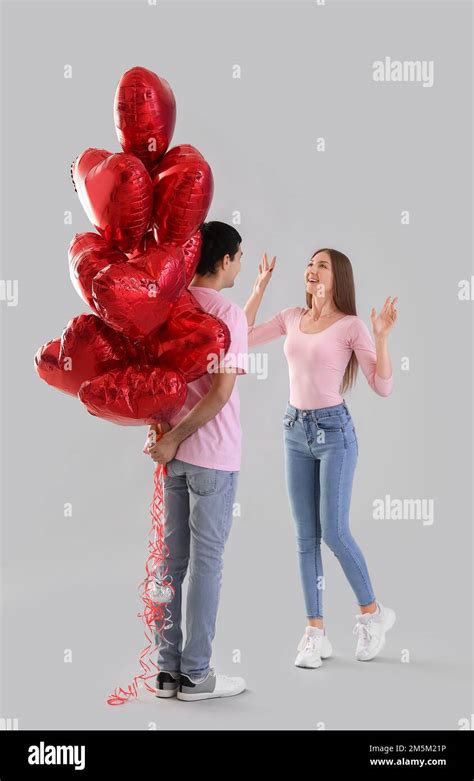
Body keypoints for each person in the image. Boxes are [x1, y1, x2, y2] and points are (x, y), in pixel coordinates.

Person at [244, 248, 398, 668]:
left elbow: (382, 386)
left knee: (333, 531)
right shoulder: (293, 316)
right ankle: (315, 632)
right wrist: (258, 288)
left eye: (322, 265)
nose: (311, 269)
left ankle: (373, 614)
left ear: (338, 277)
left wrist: (381, 337)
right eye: (310, 264)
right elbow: (239, 336)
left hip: (334, 434)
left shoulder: (351, 326)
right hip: (294, 430)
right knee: (304, 536)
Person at [145, 221, 248, 701]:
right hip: (212, 456)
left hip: (176, 457)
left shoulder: (171, 306)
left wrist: (166, 435)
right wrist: (179, 435)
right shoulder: (227, 312)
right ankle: (197, 675)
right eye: (239, 258)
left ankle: (166, 672)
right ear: (225, 260)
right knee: (206, 564)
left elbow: (152, 382)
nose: (241, 267)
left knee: (171, 564)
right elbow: (222, 393)